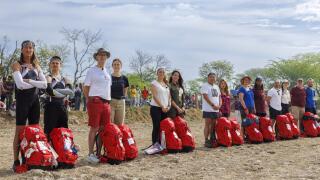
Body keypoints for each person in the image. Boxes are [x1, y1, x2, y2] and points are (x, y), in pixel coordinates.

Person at [11, 40, 47, 171]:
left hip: (34, 102)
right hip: (22, 102)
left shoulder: (36, 65)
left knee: (34, 132)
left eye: (31, 48)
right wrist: (35, 83)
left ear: (33, 50)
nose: (28, 50)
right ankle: (16, 161)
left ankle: (31, 158)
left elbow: (45, 85)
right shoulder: (17, 64)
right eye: (26, 47)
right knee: (19, 132)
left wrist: (29, 80)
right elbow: (20, 85)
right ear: (21, 50)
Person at [83, 48, 111, 164]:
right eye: (100, 55)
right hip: (95, 101)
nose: (102, 57)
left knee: (103, 128)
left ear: (106, 57)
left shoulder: (107, 71)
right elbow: (86, 87)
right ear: (96, 57)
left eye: (104, 55)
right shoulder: (92, 71)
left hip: (106, 102)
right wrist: (89, 100)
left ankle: (98, 152)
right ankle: (90, 153)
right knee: (94, 128)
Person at [43, 56, 73, 136]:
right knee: (49, 132)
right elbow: (49, 91)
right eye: (53, 63)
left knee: (64, 132)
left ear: (61, 65)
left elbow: (70, 93)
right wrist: (63, 93)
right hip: (51, 107)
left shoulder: (65, 79)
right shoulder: (48, 77)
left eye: (57, 63)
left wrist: (56, 92)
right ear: (50, 65)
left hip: (62, 108)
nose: (55, 65)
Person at [149, 68, 171, 147]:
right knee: (156, 127)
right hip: (156, 108)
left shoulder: (166, 84)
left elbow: (169, 96)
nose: (161, 73)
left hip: (165, 109)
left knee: (164, 127)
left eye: (163, 72)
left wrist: (168, 106)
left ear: (165, 74)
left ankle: (162, 144)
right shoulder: (154, 83)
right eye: (160, 72)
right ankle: (155, 145)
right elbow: (154, 96)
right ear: (157, 73)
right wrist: (162, 106)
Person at [201, 73, 221, 148]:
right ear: (208, 78)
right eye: (211, 77)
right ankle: (206, 140)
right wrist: (212, 105)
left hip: (216, 110)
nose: (212, 78)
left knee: (213, 125)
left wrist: (219, 105)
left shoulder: (216, 87)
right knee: (207, 124)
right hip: (208, 109)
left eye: (213, 77)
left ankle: (212, 138)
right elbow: (205, 96)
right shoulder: (205, 85)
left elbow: (219, 97)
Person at [110, 58, 129, 125]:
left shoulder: (124, 78)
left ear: (121, 66)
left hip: (121, 102)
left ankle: (118, 135)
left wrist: (124, 98)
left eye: (118, 64)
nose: (116, 66)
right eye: (114, 64)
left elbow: (126, 89)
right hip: (111, 102)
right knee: (110, 123)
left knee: (120, 124)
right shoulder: (109, 77)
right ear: (112, 66)